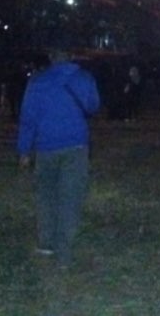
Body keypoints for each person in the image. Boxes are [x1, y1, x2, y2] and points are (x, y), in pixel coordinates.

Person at [16, 44, 101, 269]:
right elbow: (93, 107)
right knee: (70, 197)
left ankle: (46, 242)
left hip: (46, 147)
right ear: (71, 55)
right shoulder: (84, 78)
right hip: (75, 145)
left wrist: (24, 150)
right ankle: (64, 249)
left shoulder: (37, 81)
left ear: (51, 57)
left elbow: (28, 118)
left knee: (46, 195)